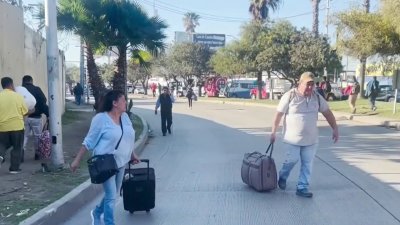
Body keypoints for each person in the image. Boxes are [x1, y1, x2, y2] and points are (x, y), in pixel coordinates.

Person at [70, 90, 140, 225]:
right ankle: (109, 222)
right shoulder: (101, 119)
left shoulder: (125, 117)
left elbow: (128, 137)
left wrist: (132, 154)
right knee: (111, 195)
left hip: (122, 161)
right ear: (114, 103)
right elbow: (88, 141)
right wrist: (77, 160)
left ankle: (97, 212)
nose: (126, 102)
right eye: (123, 100)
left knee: (112, 194)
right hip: (105, 162)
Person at [270, 72, 339, 198]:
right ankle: (283, 176)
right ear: (300, 83)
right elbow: (279, 114)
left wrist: (335, 128)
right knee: (292, 160)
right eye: (307, 84)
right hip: (292, 139)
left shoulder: (316, 97)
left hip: (311, 139)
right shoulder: (290, 96)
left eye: (312, 85)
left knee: (307, 163)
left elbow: (327, 113)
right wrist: (273, 131)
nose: (310, 87)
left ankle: (302, 187)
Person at [0, 77, 28, 174]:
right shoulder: (18, 96)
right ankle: (14, 168)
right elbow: (24, 112)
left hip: (2, 127)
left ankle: (0, 155)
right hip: (17, 127)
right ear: (11, 85)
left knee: (2, 144)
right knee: (17, 147)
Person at [22, 75, 50, 162]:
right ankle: (37, 154)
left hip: (24, 117)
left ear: (23, 81)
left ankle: (21, 154)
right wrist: (47, 113)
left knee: (24, 136)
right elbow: (43, 101)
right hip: (36, 117)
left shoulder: (21, 91)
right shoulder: (37, 89)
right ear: (31, 81)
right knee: (37, 136)